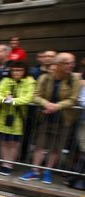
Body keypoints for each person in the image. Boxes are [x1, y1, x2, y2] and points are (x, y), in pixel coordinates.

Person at [20, 53, 81, 184]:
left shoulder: (75, 79)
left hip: (64, 118)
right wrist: (45, 103)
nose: (71, 65)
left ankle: (47, 171)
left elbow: (73, 99)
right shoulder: (45, 78)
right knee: (40, 145)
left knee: (56, 147)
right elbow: (36, 96)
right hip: (45, 116)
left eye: (72, 62)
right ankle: (35, 171)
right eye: (67, 62)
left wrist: (56, 106)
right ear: (58, 64)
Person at [0, 61, 36, 176]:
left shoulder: (29, 81)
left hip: (19, 118)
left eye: (19, 70)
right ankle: (3, 163)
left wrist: (13, 101)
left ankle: (9, 164)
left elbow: (28, 98)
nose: (16, 72)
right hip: (4, 117)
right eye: (14, 70)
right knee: (4, 142)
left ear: (24, 71)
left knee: (14, 143)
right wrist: (4, 100)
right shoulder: (5, 80)